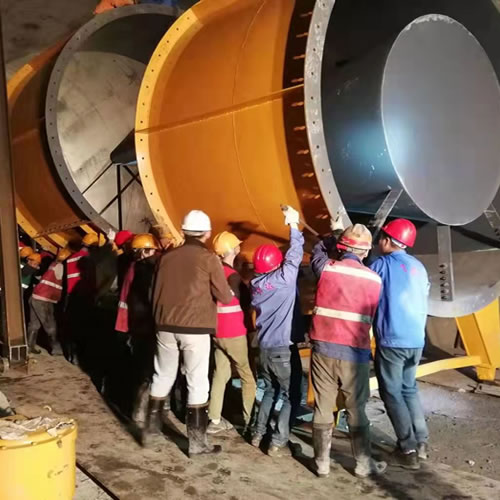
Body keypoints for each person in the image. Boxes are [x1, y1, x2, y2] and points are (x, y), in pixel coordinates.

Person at [145, 210, 233, 456]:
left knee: (162, 375)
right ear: (207, 233)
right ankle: (197, 444)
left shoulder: (166, 257)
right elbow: (224, 296)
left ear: (183, 231)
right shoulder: (209, 258)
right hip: (195, 328)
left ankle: (150, 433)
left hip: (164, 326)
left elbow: (153, 293)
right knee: (197, 382)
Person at [309, 224, 387, 478]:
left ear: (341, 248)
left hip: (323, 349)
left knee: (323, 406)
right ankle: (363, 464)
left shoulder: (326, 268)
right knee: (356, 408)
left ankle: (321, 463)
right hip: (355, 354)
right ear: (366, 252)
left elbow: (317, 252)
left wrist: (331, 236)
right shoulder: (374, 280)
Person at [370, 219, 430, 470]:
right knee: (409, 388)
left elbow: (364, 289)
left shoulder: (382, 265)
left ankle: (408, 449)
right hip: (416, 340)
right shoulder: (418, 267)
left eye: (381, 238)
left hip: (392, 340)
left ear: (387, 240)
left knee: (392, 392)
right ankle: (422, 442)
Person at [250, 206, 304, 458]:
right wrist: (293, 225)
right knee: (292, 395)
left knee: (270, 391)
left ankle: (257, 433)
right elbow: (294, 256)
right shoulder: (284, 280)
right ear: (276, 264)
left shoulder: (255, 284)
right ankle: (277, 441)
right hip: (282, 349)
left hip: (263, 348)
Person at [207, 231, 256, 435]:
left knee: (221, 374)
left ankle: (214, 420)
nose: (239, 247)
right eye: (237, 245)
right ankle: (249, 421)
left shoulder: (211, 272)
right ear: (232, 250)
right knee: (247, 376)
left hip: (217, 332)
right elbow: (247, 301)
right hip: (234, 332)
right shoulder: (233, 277)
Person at [115, 233, 159, 419]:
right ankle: (141, 411)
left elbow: (125, 299)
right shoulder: (146, 270)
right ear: (146, 251)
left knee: (141, 367)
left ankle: (138, 409)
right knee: (148, 369)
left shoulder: (131, 267)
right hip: (147, 325)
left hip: (134, 325)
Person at [27, 248, 72, 355]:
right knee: (50, 325)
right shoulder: (60, 267)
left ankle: (29, 347)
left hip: (36, 297)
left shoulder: (52, 264)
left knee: (34, 324)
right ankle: (56, 349)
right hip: (44, 299)